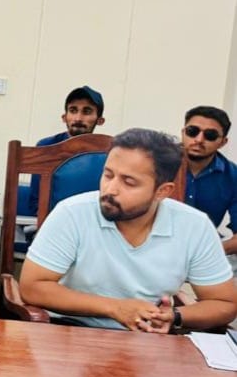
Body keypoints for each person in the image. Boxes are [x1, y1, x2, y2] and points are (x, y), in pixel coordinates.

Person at [20, 128, 237, 331]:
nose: (110, 189)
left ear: (162, 191)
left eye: (129, 182)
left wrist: (174, 316)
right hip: (69, 330)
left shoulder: (194, 226)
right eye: (108, 175)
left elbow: (224, 303)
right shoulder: (72, 213)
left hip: (146, 338)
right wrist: (115, 308)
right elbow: (32, 287)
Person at [27, 85, 106, 215]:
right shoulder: (46, 147)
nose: (78, 118)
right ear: (64, 117)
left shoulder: (109, 151)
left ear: (100, 120)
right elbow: (36, 202)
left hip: (94, 220)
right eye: (73, 110)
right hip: (52, 220)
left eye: (87, 112)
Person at [181, 105, 237, 268]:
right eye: (192, 131)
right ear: (183, 132)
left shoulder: (233, 176)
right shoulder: (157, 164)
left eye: (210, 135)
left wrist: (208, 252)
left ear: (223, 142)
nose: (199, 139)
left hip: (204, 251)